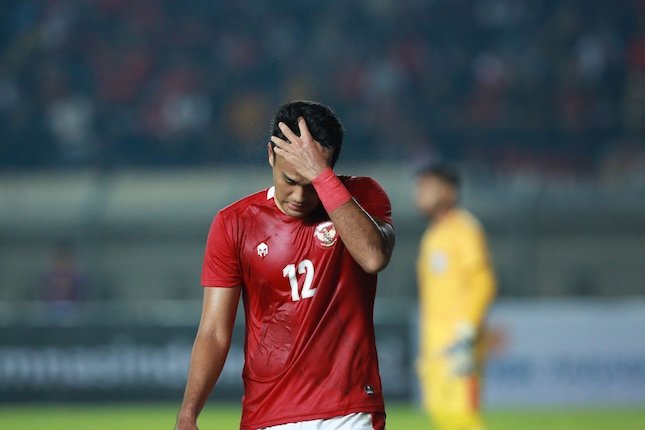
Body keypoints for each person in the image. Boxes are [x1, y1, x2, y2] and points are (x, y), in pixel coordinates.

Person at [175, 100, 395, 430]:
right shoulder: (234, 223)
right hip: (267, 414)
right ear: (270, 155)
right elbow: (214, 331)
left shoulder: (362, 196)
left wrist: (321, 176)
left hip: (348, 412)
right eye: (289, 179)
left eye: (311, 184)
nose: (300, 196)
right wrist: (189, 411)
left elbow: (373, 256)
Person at [414, 163, 496, 430]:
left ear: (448, 192)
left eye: (428, 187)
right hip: (436, 345)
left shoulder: (464, 229)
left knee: (462, 418)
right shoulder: (434, 233)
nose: (421, 194)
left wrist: (467, 331)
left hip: (458, 344)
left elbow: (483, 281)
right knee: (443, 416)